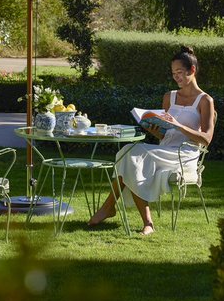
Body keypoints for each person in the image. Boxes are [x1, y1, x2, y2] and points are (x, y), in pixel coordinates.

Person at [88, 45, 215, 235]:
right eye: (173, 73)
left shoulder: (205, 100)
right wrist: (153, 129)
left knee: (133, 154)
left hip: (184, 155)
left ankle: (110, 208)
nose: (176, 77)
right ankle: (145, 221)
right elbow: (165, 135)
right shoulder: (169, 97)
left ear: (192, 70)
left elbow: (206, 139)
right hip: (163, 149)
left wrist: (179, 125)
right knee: (127, 152)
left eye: (180, 72)